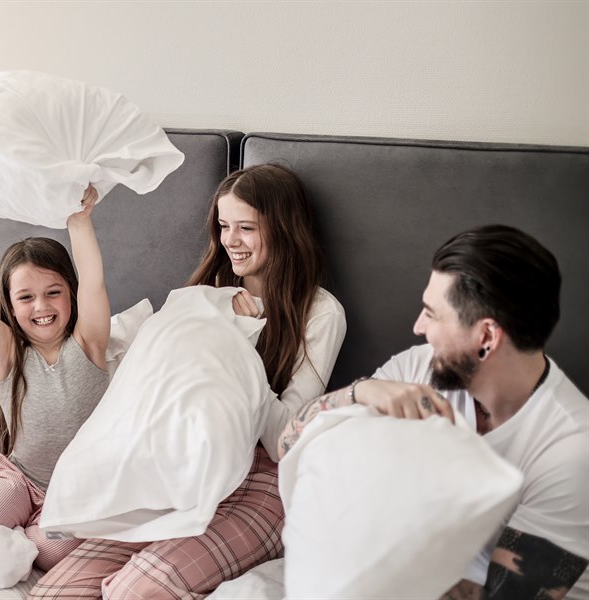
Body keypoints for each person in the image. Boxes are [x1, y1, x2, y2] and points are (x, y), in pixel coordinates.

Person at [30, 163, 347, 599]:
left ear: (284, 229)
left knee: (133, 592)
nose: (229, 241)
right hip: (181, 466)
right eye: (223, 226)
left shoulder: (320, 312)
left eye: (246, 228)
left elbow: (282, 438)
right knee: (53, 591)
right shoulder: (206, 292)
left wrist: (237, 341)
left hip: (263, 481)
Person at [278, 224, 588, 599]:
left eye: (432, 313)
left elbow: (509, 596)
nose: (418, 327)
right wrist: (360, 393)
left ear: (486, 338)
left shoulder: (572, 451)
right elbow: (288, 446)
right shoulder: (418, 369)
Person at [0, 186, 111, 572]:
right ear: (10, 305)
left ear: (72, 293)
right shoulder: (7, 352)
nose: (42, 307)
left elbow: (94, 281)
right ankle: (5, 511)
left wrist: (79, 222)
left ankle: (28, 531)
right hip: (20, 477)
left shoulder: (90, 343)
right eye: (26, 298)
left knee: (54, 553)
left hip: (73, 492)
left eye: (54, 292)